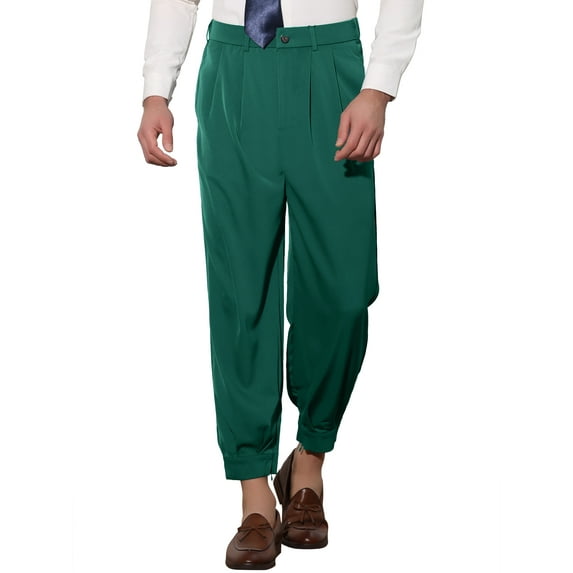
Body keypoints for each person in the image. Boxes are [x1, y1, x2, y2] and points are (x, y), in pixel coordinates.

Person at [137, 0, 424, 569]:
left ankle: (309, 457)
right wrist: (155, 90)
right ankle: (254, 493)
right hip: (234, 69)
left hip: (332, 67)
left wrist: (379, 85)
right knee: (240, 291)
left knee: (344, 292)